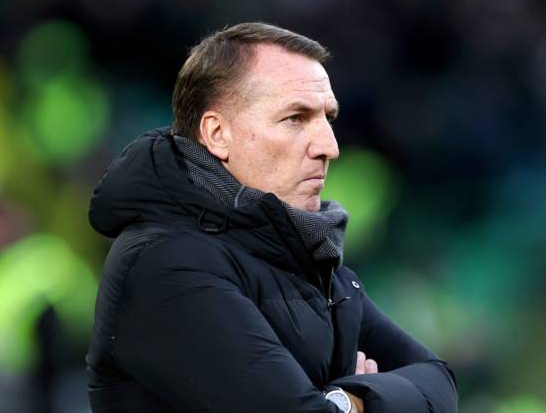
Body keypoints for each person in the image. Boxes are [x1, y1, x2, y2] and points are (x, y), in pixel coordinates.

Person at [86, 22, 458, 412]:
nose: (329, 146)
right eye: (296, 118)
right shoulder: (164, 264)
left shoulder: (313, 262)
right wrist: (351, 402)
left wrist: (350, 399)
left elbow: (440, 383)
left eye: (328, 118)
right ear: (217, 134)